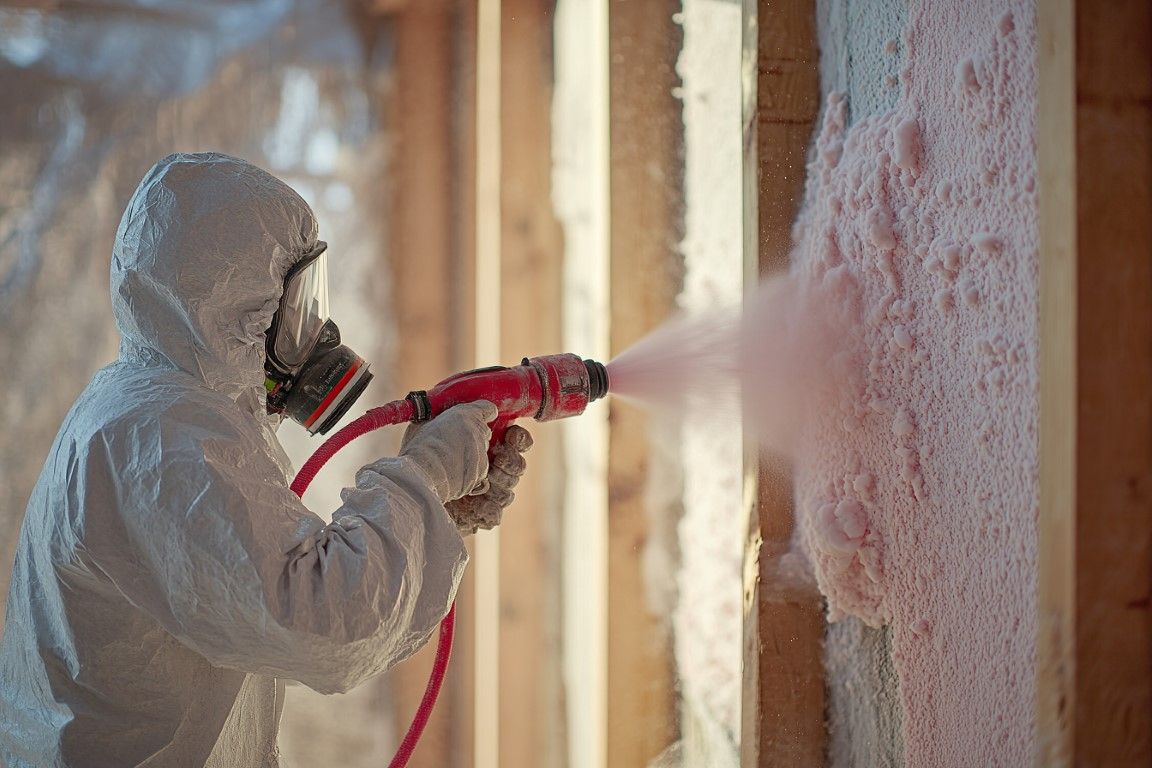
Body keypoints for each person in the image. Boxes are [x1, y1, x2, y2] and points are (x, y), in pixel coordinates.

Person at [0, 153, 531, 767]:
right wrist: (425, 477)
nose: (318, 333)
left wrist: (435, 514)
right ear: (234, 305)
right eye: (296, 300)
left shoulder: (159, 412)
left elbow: (275, 584)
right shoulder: (165, 441)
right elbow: (326, 619)